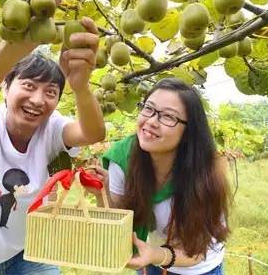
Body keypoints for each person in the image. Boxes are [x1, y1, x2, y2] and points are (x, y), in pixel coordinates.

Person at [0, 17, 106, 274]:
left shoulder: (52, 127)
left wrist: (81, 87)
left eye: (51, 92)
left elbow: (92, 133)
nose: (37, 99)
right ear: (5, 88)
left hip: (34, 250)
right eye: (29, 86)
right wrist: (16, 45)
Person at [90, 78, 231, 275]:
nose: (151, 122)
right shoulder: (123, 157)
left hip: (198, 268)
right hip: (151, 261)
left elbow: (197, 251)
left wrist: (155, 255)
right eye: (148, 109)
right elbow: (119, 218)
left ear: (188, 131)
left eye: (168, 117)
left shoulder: (204, 175)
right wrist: (101, 194)